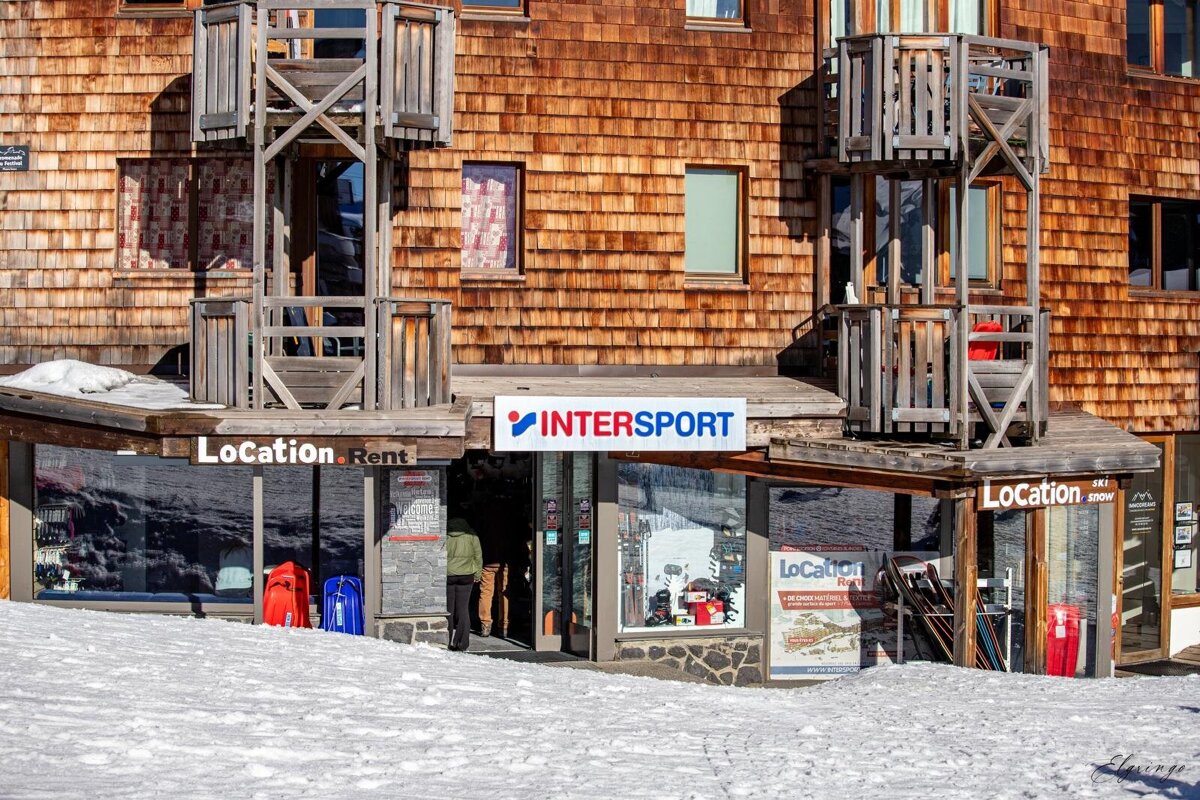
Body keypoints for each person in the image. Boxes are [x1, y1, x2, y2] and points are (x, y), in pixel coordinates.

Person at [445, 512, 482, 652]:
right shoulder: (472, 535)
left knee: (449, 609)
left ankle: (447, 640)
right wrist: (478, 574)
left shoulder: (446, 535)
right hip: (467, 575)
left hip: (449, 575)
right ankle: (462, 642)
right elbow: (478, 556)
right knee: (463, 608)